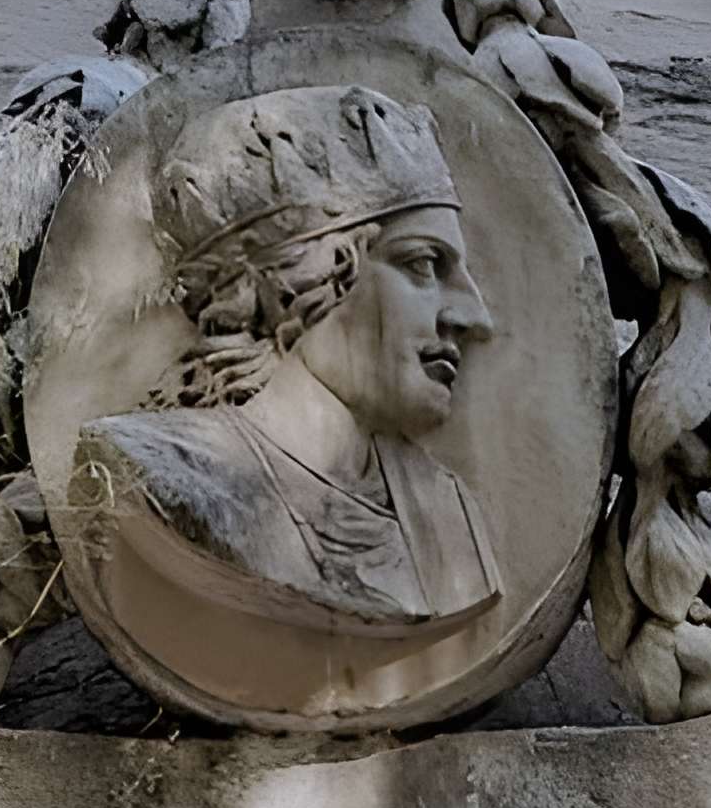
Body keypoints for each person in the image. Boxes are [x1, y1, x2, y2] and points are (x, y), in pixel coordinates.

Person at [78, 84, 500, 633]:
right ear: (306, 279)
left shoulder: (451, 512)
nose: (475, 316)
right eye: (423, 264)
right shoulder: (152, 467)